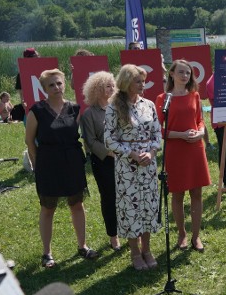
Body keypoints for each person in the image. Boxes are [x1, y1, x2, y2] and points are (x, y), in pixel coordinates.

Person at [24, 69, 97, 268]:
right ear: (44, 88)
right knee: (48, 207)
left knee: (77, 204)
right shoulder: (36, 110)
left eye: (59, 83)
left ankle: (82, 246)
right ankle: (47, 253)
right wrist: (37, 164)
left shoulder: (74, 108)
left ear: (64, 84)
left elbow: (83, 136)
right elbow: (29, 141)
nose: (56, 87)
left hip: (72, 161)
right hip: (47, 163)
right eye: (51, 85)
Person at [105, 64, 162, 271]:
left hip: (148, 165)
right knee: (130, 208)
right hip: (127, 167)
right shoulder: (114, 107)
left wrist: (152, 152)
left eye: (143, 80)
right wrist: (131, 154)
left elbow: (157, 134)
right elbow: (108, 139)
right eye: (138, 81)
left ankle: (146, 249)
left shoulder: (149, 104)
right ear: (127, 83)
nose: (142, 84)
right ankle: (135, 252)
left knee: (147, 206)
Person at [156, 59, 211, 253]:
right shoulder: (163, 98)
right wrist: (180, 135)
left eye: (188, 73)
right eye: (181, 72)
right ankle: (182, 234)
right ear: (171, 74)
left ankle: (196, 237)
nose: (185, 76)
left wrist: (200, 132)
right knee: (177, 193)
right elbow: (157, 130)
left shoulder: (195, 96)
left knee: (197, 193)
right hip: (175, 150)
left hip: (195, 149)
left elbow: (201, 121)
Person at [80, 71, 120, 252]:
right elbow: (89, 140)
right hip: (104, 161)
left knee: (124, 196)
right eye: (107, 86)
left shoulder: (120, 108)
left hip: (123, 158)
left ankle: (128, 228)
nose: (112, 89)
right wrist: (108, 153)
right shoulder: (89, 114)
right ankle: (113, 235)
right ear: (96, 90)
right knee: (109, 197)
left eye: (113, 85)